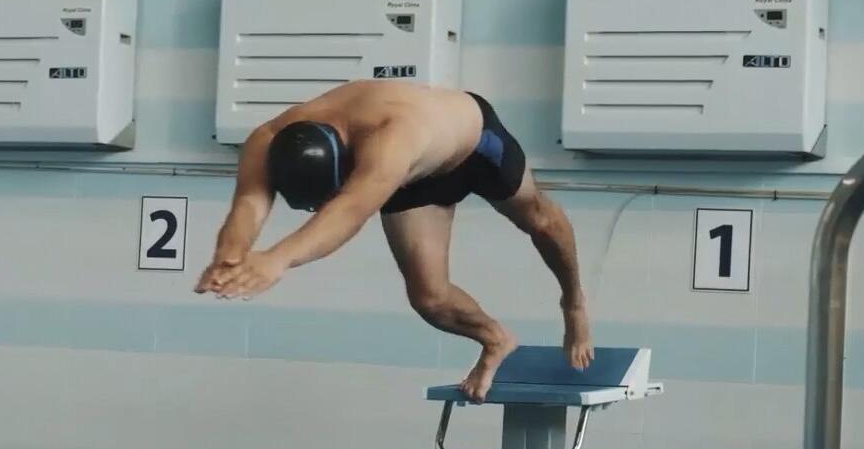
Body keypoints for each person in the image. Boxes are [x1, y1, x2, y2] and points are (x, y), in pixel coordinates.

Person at [194, 80, 593, 402]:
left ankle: (573, 300)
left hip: (473, 144)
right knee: (430, 299)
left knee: (540, 220)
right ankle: (496, 339)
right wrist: (229, 258)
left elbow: (349, 211)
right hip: (412, 177)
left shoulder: (391, 137)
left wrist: (277, 259)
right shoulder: (266, 139)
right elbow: (249, 202)